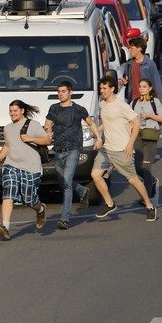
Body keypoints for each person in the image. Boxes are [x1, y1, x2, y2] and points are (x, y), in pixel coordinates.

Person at [93, 76, 157, 221]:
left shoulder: (121, 105)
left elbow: (136, 122)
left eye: (104, 88)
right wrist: (98, 131)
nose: (102, 91)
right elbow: (108, 121)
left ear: (112, 89)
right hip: (107, 149)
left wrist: (130, 144)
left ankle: (149, 205)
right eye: (101, 88)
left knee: (133, 180)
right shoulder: (102, 103)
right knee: (95, 175)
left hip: (122, 150)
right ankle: (109, 204)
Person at [44, 81, 103, 230]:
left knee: (67, 184)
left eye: (63, 91)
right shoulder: (54, 108)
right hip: (58, 150)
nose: (60, 94)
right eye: (59, 91)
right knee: (63, 182)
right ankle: (83, 191)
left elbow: (91, 123)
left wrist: (99, 138)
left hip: (74, 150)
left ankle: (64, 219)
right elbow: (47, 123)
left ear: (70, 92)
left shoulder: (78, 109)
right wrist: (48, 131)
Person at [0, 100, 51, 240]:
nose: (12, 114)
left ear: (22, 111)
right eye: (10, 111)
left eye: (15, 111)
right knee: (8, 192)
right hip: (11, 165)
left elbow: (47, 140)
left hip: (31, 167)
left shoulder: (33, 125)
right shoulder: (7, 128)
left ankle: (40, 210)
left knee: (29, 199)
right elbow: (7, 145)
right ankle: (5, 227)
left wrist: (31, 138)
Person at [132, 78, 162, 204]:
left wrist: (149, 115)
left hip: (150, 136)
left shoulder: (154, 102)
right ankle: (151, 180)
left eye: (144, 86)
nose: (141, 89)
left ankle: (146, 197)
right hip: (137, 136)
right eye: (140, 86)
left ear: (150, 88)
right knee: (136, 166)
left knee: (146, 166)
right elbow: (129, 119)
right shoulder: (134, 102)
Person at [124, 37, 162, 102]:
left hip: (147, 100)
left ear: (139, 48)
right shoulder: (129, 64)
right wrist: (124, 81)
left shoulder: (149, 64)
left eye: (131, 48)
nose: (129, 50)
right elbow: (127, 81)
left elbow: (157, 85)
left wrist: (157, 104)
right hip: (133, 101)